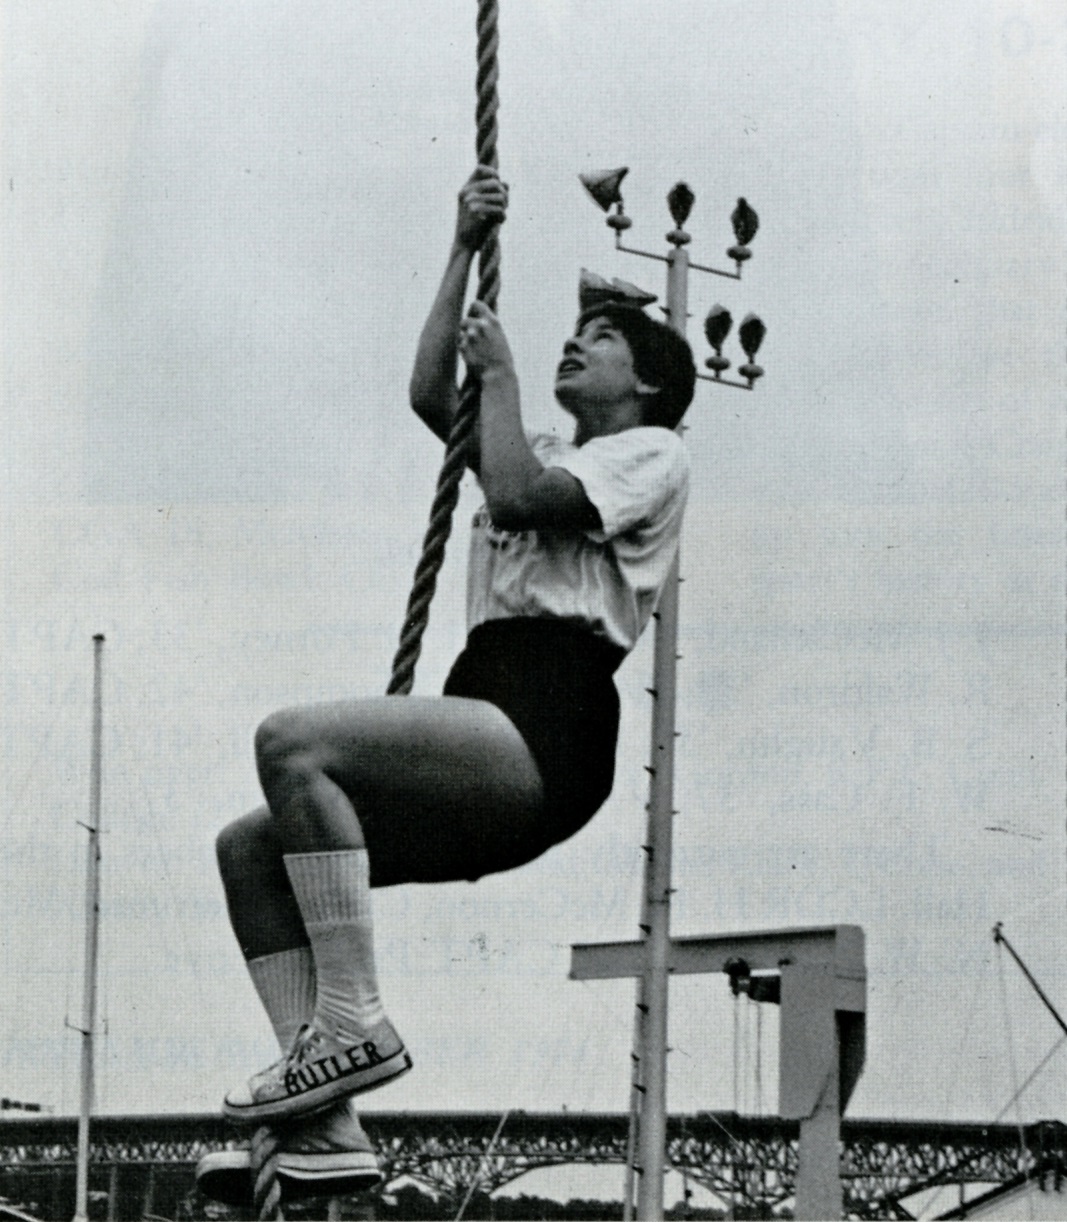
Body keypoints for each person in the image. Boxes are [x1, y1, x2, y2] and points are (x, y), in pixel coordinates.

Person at [196, 165, 695, 1206]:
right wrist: (461, 246)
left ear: (644, 381)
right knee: (250, 848)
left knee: (293, 741)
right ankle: (323, 1111)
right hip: (486, 707)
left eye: (597, 340)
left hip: (543, 717)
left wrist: (504, 375)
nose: (574, 344)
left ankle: (354, 1020)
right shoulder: (545, 437)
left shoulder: (651, 454)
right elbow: (430, 395)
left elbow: (512, 487)